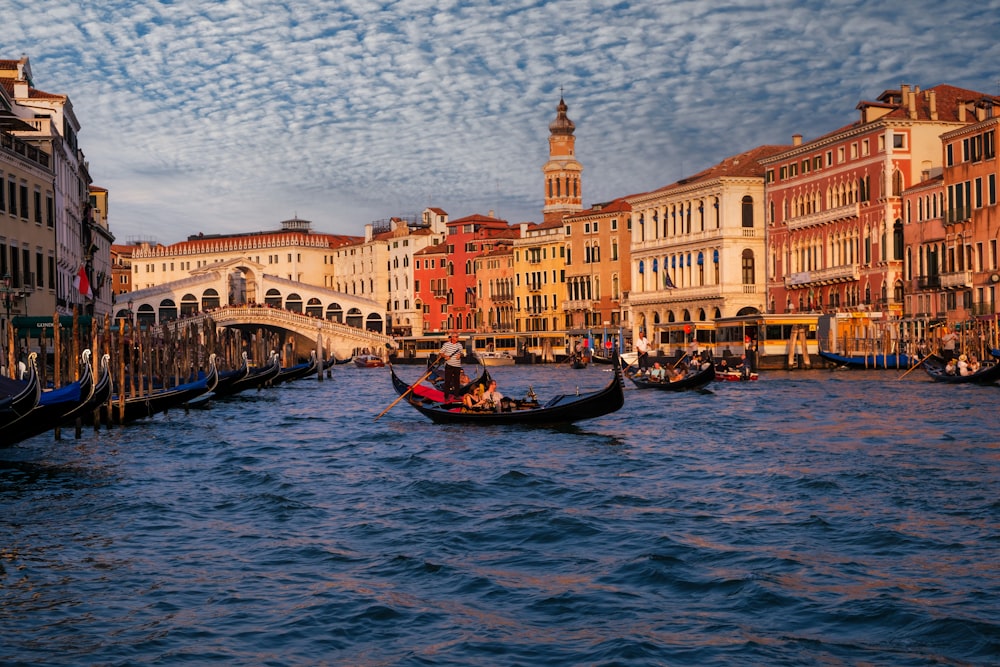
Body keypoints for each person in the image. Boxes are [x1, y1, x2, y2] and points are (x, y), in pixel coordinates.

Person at [437, 331, 465, 399]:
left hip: (457, 366)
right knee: (448, 381)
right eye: (456, 337)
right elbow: (440, 353)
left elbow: (462, 353)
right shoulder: (446, 345)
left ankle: (456, 395)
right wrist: (446, 356)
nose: (457, 338)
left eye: (458, 337)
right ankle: (446, 396)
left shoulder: (460, 345)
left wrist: (460, 355)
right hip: (449, 365)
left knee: (456, 381)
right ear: (452, 337)